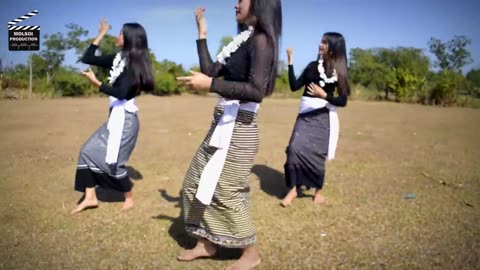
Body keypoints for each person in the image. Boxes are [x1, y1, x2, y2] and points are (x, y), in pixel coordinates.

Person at [176, 1, 282, 269]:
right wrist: (202, 34)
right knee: (194, 182)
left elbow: (257, 90)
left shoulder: (261, 40)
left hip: (241, 127)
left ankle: (251, 252)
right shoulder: (243, 39)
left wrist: (210, 84)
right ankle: (206, 242)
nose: (236, 3)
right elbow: (210, 71)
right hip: (222, 122)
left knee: (226, 190)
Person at [72, 19, 154, 214]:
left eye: (120, 33)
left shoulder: (135, 65)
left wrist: (97, 83)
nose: (117, 36)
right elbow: (88, 58)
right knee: (87, 150)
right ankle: (90, 197)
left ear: (129, 39)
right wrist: (100, 34)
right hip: (114, 117)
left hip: (125, 119)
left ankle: (128, 196)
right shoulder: (118, 59)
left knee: (113, 162)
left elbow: (122, 93)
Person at [281, 32, 349, 207]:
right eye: (321, 41)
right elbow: (294, 86)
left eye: (325, 42)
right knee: (294, 149)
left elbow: (343, 100)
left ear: (334, 47)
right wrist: (290, 61)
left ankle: (318, 191)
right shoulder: (312, 66)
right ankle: (294, 188)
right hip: (305, 115)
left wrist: (325, 95)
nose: (321, 44)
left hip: (323, 117)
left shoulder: (339, 71)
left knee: (317, 154)